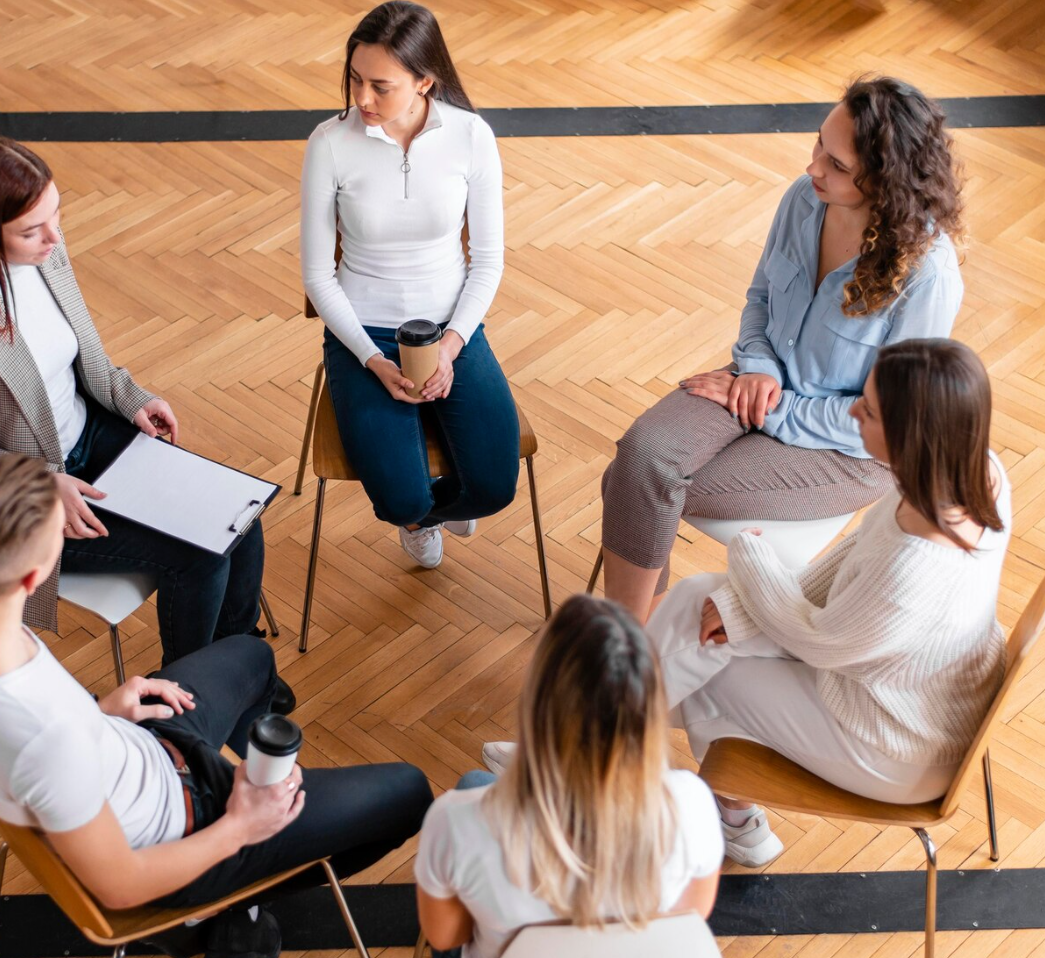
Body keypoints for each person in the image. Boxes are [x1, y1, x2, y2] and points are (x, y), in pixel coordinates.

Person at [0, 454, 433, 958]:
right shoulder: (47, 741)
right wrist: (241, 827)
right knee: (410, 793)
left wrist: (100, 713)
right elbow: (119, 885)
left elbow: (24, 734)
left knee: (251, 657)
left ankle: (267, 829)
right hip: (186, 833)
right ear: (32, 577)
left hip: (132, 747)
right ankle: (233, 896)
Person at [0, 137, 291, 709]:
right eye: (33, 230)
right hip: (19, 497)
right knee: (200, 557)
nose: (54, 239)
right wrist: (38, 484)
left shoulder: (46, 254)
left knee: (238, 517)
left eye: (56, 216)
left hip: (95, 439)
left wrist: (130, 398)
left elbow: (85, 354)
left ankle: (236, 669)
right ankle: (185, 704)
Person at [600, 75, 965, 622]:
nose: (814, 166)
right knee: (642, 461)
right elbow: (761, 298)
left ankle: (626, 649)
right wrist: (758, 368)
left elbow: (894, 420)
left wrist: (771, 405)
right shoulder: (804, 199)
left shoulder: (927, 276)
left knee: (637, 480)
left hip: (846, 447)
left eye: (838, 165)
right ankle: (629, 645)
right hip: (756, 381)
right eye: (820, 142)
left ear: (888, 182)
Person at [638, 338, 1008, 866]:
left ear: (910, 437)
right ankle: (597, 757)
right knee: (703, 602)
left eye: (870, 410)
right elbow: (859, 555)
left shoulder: (913, 571)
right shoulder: (972, 470)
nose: (853, 409)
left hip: (898, 743)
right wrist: (742, 606)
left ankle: (587, 769)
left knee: (706, 663)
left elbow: (821, 639)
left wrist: (750, 548)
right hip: (903, 688)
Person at [300, 1, 519, 570]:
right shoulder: (328, 144)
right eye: (354, 79)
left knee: (496, 488)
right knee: (398, 499)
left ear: (425, 80)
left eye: (380, 86)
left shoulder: (471, 137)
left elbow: (488, 261)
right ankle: (420, 517)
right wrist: (374, 361)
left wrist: (451, 347)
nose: (361, 100)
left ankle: (435, 511)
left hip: (448, 327)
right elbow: (318, 276)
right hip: (362, 331)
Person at [416, 595, 723, 958]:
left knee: (473, 784)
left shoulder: (457, 822)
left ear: (538, 703)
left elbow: (445, 936)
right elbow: (691, 915)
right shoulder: (692, 805)